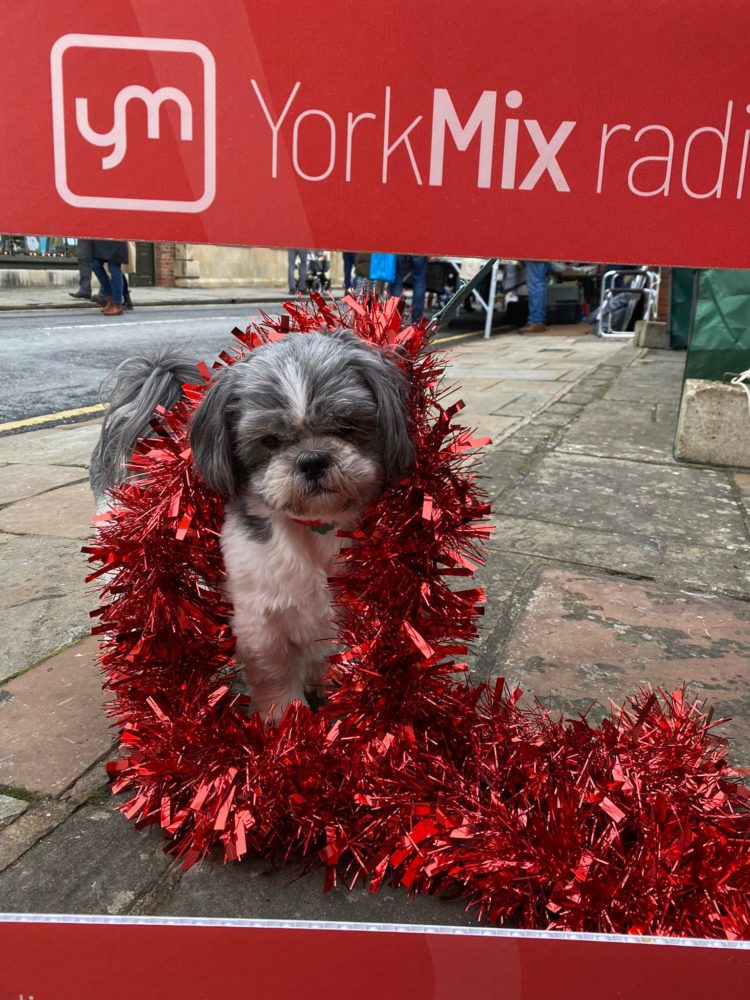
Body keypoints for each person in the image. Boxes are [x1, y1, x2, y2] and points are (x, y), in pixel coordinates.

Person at [91, 239, 129, 316]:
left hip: (116, 235)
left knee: (114, 268)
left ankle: (117, 304)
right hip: (101, 238)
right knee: (94, 264)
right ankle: (110, 298)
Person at [391, 255, 428, 321]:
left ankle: (394, 320)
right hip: (420, 247)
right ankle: (416, 322)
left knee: (397, 282)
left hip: (399, 246)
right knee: (419, 282)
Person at [520, 260, 551, 333]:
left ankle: (535, 321)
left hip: (535, 253)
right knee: (539, 283)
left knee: (535, 283)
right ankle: (538, 321)